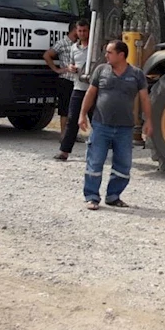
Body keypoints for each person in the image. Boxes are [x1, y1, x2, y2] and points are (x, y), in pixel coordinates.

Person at [78, 40, 152, 210]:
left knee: (123, 164)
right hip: (101, 125)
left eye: (110, 52)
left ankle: (113, 196)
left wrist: (149, 120)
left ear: (121, 55)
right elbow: (90, 93)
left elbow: (145, 99)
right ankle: (91, 197)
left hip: (125, 128)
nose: (106, 55)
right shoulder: (101, 70)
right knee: (95, 161)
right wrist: (82, 114)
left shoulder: (136, 74)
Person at [53, 19, 90, 161]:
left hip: (92, 89)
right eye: (79, 31)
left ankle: (101, 151)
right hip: (78, 87)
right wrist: (70, 68)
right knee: (72, 119)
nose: (82, 33)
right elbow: (71, 63)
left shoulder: (95, 47)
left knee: (97, 121)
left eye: (84, 31)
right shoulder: (74, 48)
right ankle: (64, 151)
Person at [43, 20, 78, 135]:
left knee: (75, 108)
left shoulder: (79, 44)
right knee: (64, 109)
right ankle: (63, 134)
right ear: (74, 30)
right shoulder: (62, 43)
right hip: (66, 78)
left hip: (77, 80)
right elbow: (47, 55)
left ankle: (72, 134)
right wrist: (57, 69)